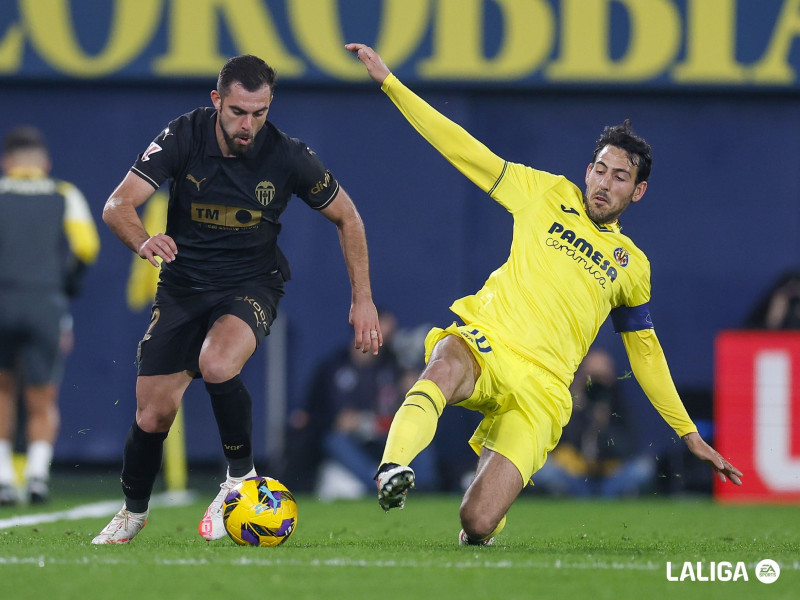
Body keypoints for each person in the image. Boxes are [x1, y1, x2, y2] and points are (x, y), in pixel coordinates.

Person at [344, 43, 743, 546]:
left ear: (637, 192)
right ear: (589, 168)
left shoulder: (632, 266)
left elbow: (645, 354)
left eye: (620, 177)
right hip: (491, 341)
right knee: (445, 359)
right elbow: (464, 149)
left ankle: (480, 523)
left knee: (478, 520)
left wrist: (689, 434)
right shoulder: (543, 193)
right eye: (600, 168)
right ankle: (392, 469)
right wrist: (390, 84)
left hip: (546, 389)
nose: (604, 183)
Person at [92, 54, 382, 544]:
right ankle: (133, 512)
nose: (248, 125)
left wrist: (364, 299)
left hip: (252, 283)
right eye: (238, 112)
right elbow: (117, 204)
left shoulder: (288, 155)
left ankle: (238, 482)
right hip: (183, 287)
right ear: (216, 101)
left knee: (218, 362)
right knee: (152, 414)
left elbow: (348, 217)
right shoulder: (183, 135)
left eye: (259, 112)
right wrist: (144, 240)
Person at [0, 126, 100, 505]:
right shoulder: (63, 193)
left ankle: (5, 478)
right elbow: (86, 247)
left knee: (3, 391)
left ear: (6, 162)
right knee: (43, 396)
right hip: (45, 303)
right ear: (44, 163)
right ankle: (38, 476)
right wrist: (62, 286)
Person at [291, 309, 436, 499]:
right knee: (335, 441)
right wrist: (337, 420)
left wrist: (411, 384)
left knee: (416, 433)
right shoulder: (333, 366)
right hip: (349, 436)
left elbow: (410, 401)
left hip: (385, 431)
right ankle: (379, 484)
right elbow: (311, 413)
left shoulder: (393, 364)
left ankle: (425, 488)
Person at [532, 348, 656, 497]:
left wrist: (603, 426)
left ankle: (601, 496)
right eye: (591, 377)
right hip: (575, 476)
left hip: (610, 475)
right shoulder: (570, 401)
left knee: (643, 468)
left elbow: (628, 449)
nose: (596, 384)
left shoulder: (619, 405)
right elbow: (555, 444)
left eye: (601, 377)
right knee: (541, 468)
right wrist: (575, 408)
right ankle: (582, 496)